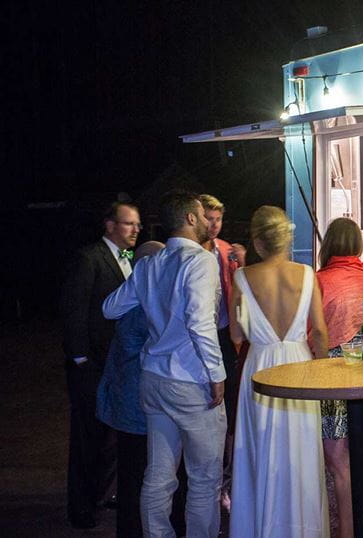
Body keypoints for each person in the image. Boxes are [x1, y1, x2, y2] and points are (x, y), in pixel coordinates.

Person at [102, 191, 227, 538]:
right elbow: (200, 322)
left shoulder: (148, 264)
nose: (207, 222)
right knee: (204, 477)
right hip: (191, 380)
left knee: (158, 475)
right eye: (203, 216)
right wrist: (217, 375)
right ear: (189, 218)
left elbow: (110, 308)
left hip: (154, 378)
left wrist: (150, 299)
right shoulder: (199, 261)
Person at [229, 206, 329, 538]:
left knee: (260, 451)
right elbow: (320, 332)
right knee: (301, 454)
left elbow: (236, 334)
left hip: (260, 367)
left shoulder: (242, 278)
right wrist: (323, 373)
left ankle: (262, 527)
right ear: (288, 238)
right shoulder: (306, 274)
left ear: (257, 242)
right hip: (300, 366)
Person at [60, 201, 140, 529]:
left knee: (111, 440)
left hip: (118, 364)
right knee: (87, 440)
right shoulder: (89, 258)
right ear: (109, 226)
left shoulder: (133, 262)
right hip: (91, 365)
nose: (136, 229)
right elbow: (74, 308)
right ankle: (81, 509)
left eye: (137, 224)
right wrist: (80, 358)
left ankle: (100, 496)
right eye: (128, 224)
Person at [315, 217, 363, 538]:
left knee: (335, 459)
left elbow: (315, 333)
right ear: (356, 245)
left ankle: (344, 531)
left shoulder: (320, 281)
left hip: (332, 373)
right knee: (350, 457)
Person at [96, 241, 164, 537]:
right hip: (137, 406)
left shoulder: (129, 300)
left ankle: (130, 527)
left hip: (128, 402)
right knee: (137, 474)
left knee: (131, 473)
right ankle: (133, 529)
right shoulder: (142, 306)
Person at [198, 194, 246, 508]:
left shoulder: (228, 250)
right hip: (200, 333)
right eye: (209, 219)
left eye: (218, 219)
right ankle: (204, 477)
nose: (214, 225)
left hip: (226, 335)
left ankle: (225, 479)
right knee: (204, 405)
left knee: (229, 405)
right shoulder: (189, 252)